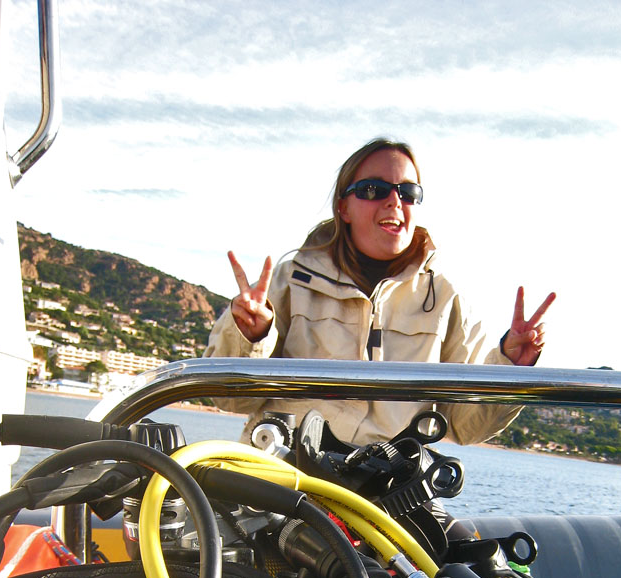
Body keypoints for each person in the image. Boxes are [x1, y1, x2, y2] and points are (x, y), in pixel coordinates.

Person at [202, 137, 555, 449]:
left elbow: (464, 426)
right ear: (344, 207)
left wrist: (509, 366)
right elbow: (229, 399)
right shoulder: (293, 278)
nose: (394, 201)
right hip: (285, 477)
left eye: (408, 193)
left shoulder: (446, 297)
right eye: (373, 189)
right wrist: (251, 337)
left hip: (386, 488)